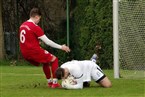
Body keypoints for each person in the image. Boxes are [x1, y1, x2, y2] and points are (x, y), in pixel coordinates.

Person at [18, 8, 70, 88]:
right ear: (37, 17)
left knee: (46, 62)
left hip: (24, 52)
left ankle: (49, 83)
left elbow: (27, 39)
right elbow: (48, 42)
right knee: (54, 59)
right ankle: (55, 83)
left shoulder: (22, 25)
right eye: (39, 19)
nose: (39, 21)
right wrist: (61, 47)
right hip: (33, 51)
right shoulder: (34, 27)